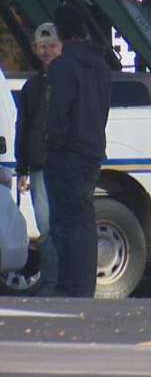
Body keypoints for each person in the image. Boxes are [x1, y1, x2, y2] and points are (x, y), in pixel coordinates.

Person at [43, 4, 112, 297]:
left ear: (59, 31)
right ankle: (83, 284)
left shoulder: (62, 66)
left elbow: (59, 112)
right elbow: (103, 109)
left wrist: (52, 143)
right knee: (83, 218)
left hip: (67, 153)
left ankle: (70, 284)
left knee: (64, 221)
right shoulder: (100, 66)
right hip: (92, 149)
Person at [15, 23, 62, 293]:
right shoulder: (31, 86)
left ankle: (64, 279)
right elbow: (23, 127)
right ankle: (52, 280)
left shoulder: (69, 81)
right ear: (34, 49)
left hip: (66, 164)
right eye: (42, 47)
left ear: (62, 47)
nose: (46, 51)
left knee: (64, 226)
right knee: (46, 228)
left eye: (51, 46)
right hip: (39, 167)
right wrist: (22, 168)